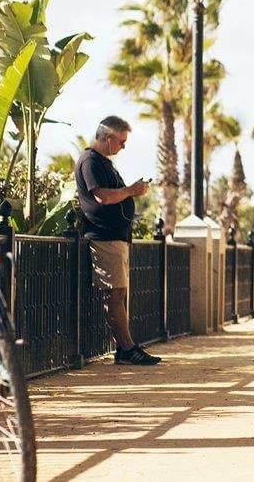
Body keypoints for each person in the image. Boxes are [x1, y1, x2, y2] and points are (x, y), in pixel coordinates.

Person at [74, 116, 160, 366]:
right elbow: (102, 196)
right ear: (108, 137)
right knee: (114, 294)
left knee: (119, 293)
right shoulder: (90, 161)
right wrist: (131, 190)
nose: (123, 147)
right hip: (104, 237)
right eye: (121, 141)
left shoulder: (104, 163)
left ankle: (126, 348)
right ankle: (126, 349)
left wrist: (133, 191)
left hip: (115, 238)